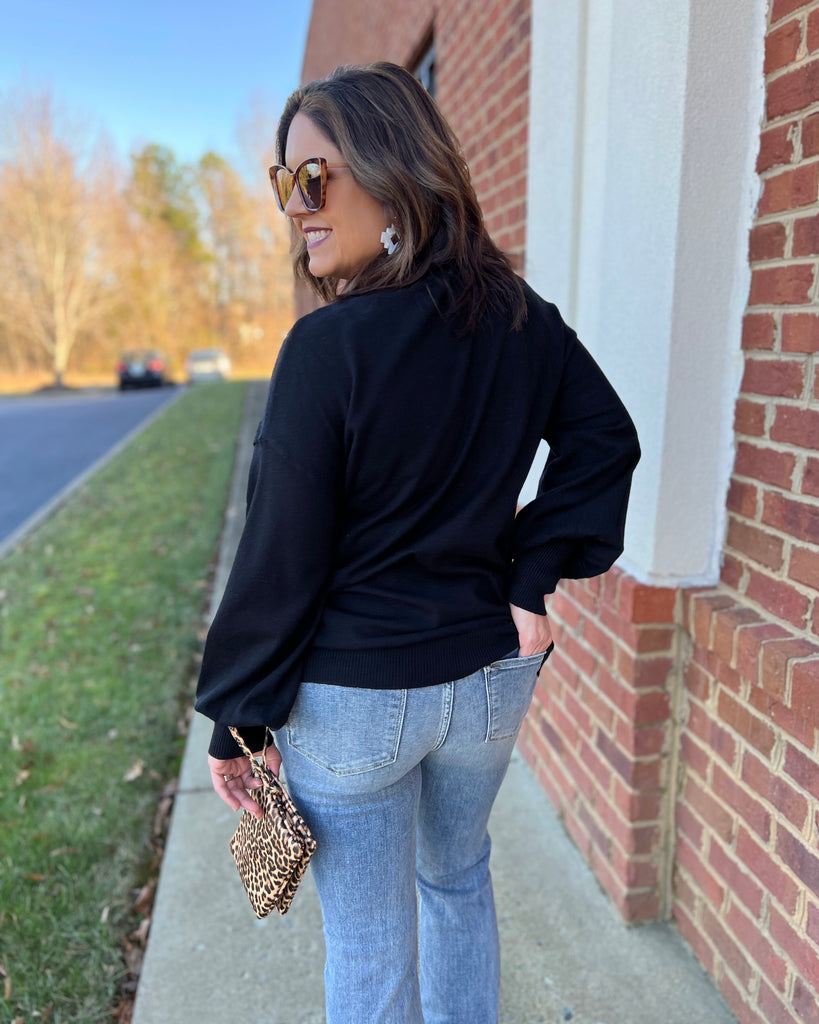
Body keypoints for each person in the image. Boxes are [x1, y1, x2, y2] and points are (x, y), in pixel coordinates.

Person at [195, 61, 640, 1024]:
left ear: (393, 172)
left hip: (354, 704)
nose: (295, 207)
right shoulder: (522, 320)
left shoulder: (327, 349)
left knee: (368, 941)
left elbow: (279, 557)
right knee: (458, 879)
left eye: (313, 178)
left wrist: (237, 717)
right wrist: (528, 580)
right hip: (488, 683)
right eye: (284, 183)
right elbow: (606, 442)